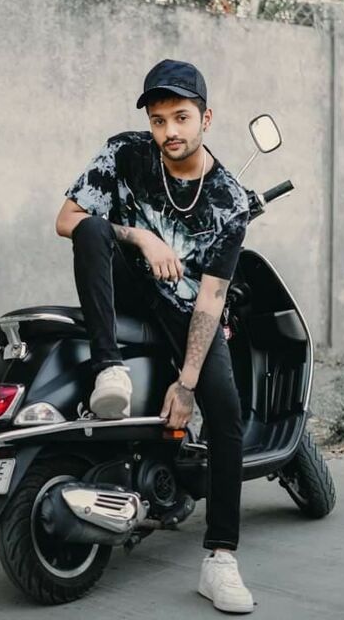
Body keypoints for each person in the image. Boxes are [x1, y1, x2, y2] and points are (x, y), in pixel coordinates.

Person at [55, 59, 254, 614]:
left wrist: (186, 385)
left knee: (227, 413)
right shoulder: (124, 152)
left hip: (185, 307)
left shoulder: (230, 199)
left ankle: (220, 559)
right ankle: (109, 370)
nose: (169, 131)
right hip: (126, 281)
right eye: (159, 120)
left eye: (181, 117)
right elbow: (66, 219)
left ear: (206, 118)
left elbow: (211, 298)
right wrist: (141, 237)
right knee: (93, 227)